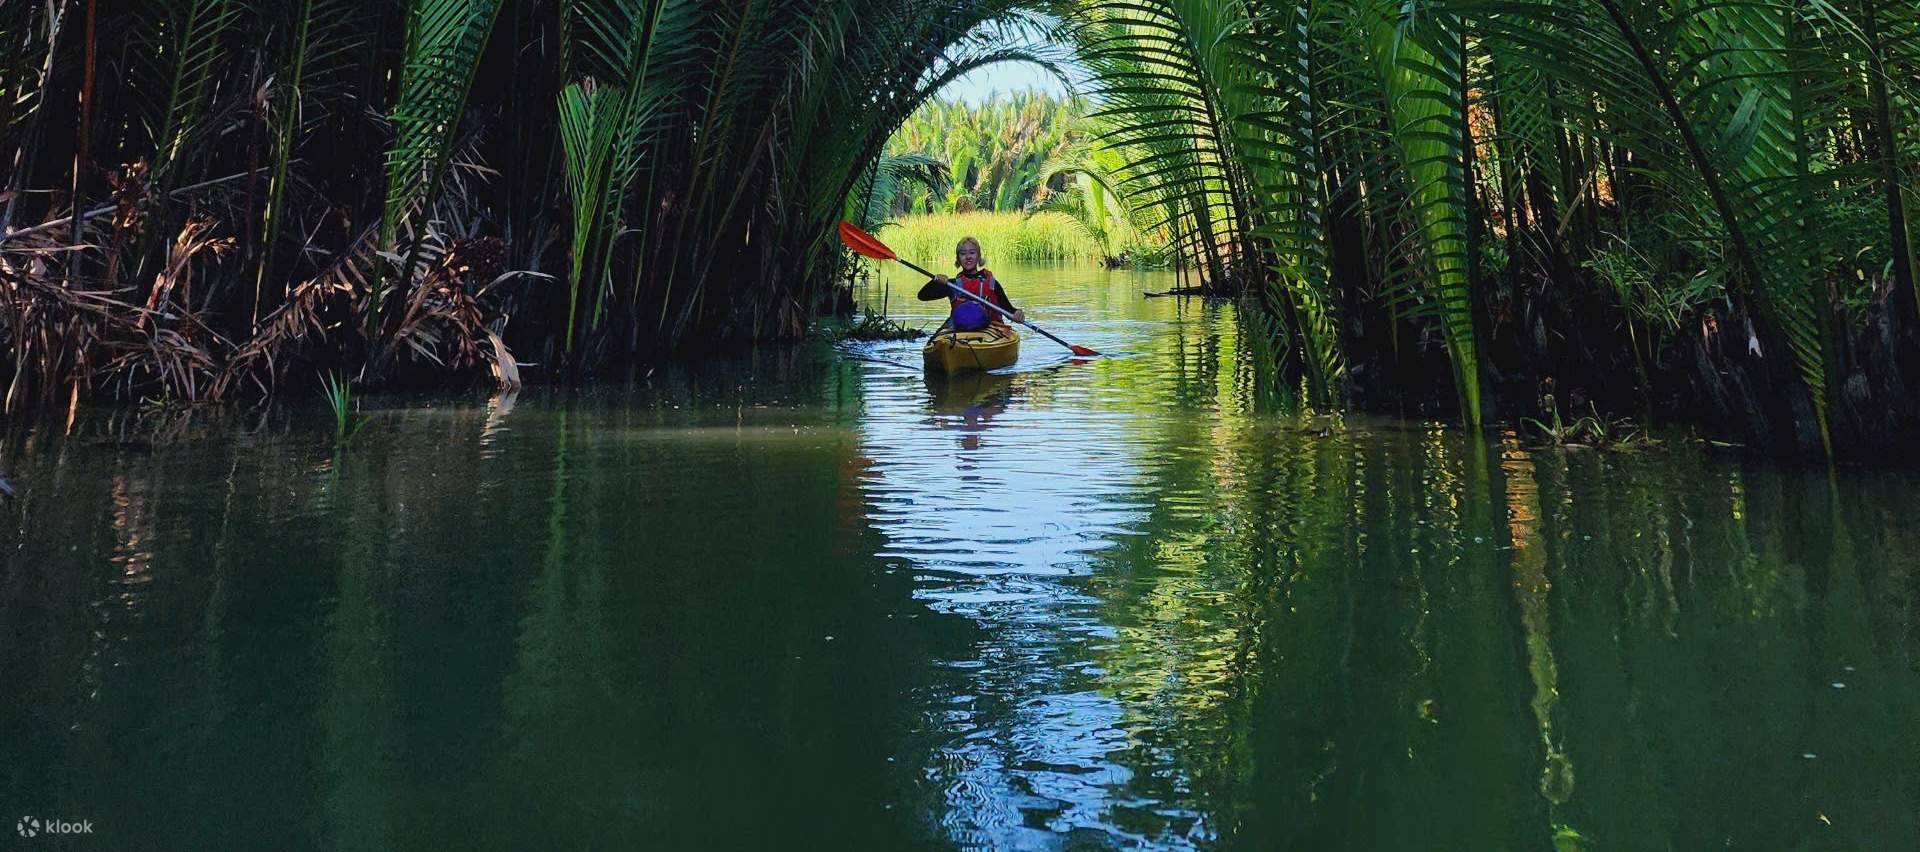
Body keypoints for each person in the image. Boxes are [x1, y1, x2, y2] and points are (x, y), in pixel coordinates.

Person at [917, 236, 1026, 331]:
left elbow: (1009, 310)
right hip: (961, 330)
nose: (968, 257)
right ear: (958, 259)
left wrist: (1017, 313)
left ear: (979, 256)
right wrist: (935, 282)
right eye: (963, 254)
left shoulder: (992, 283)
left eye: (972, 253)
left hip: (991, 330)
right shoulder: (952, 285)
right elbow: (922, 296)